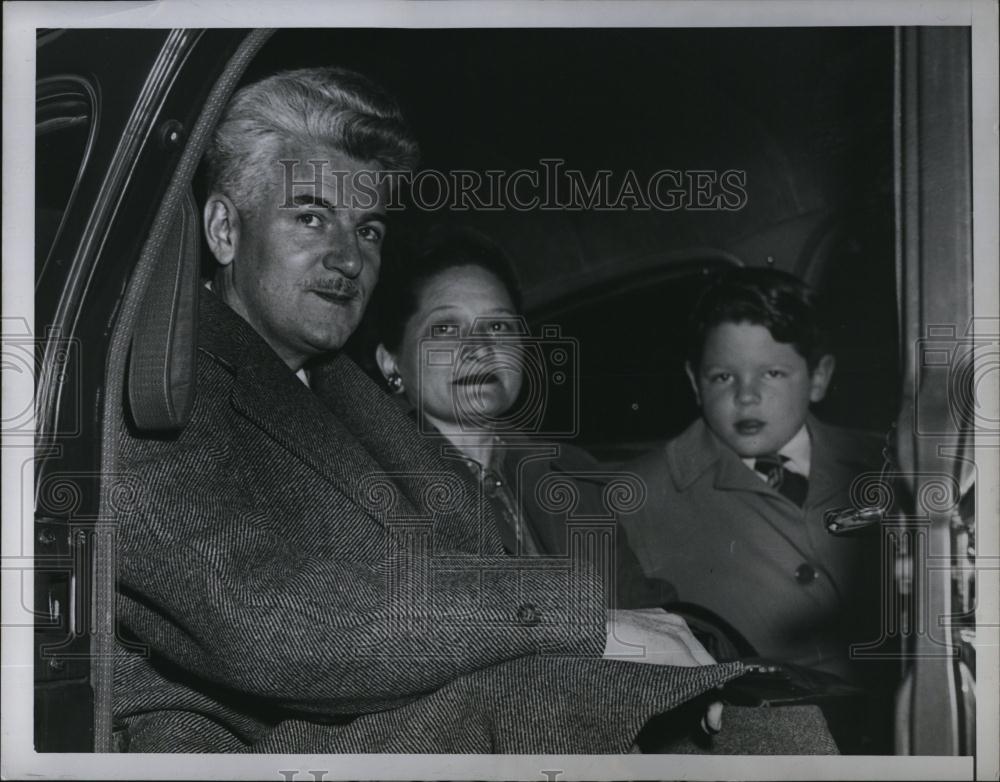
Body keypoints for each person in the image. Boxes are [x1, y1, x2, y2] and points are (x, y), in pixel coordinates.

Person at [111, 66, 751, 754]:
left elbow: (463, 563)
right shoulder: (157, 385)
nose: (347, 257)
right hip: (256, 751)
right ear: (223, 230)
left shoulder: (336, 392)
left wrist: (635, 654)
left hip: (397, 720)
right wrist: (593, 626)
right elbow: (266, 621)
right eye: (311, 218)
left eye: (369, 231)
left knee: (749, 714)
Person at [372, 225, 676, 608]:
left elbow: (646, 611)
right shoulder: (374, 484)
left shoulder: (573, 476)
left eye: (498, 326)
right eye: (446, 328)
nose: (480, 348)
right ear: (391, 363)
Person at [619, 267, 886, 688]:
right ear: (695, 381)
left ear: (819, 377)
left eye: (772, 374)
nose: (746, 396)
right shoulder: (638, 497)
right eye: (723, 377)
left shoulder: (887, 465)